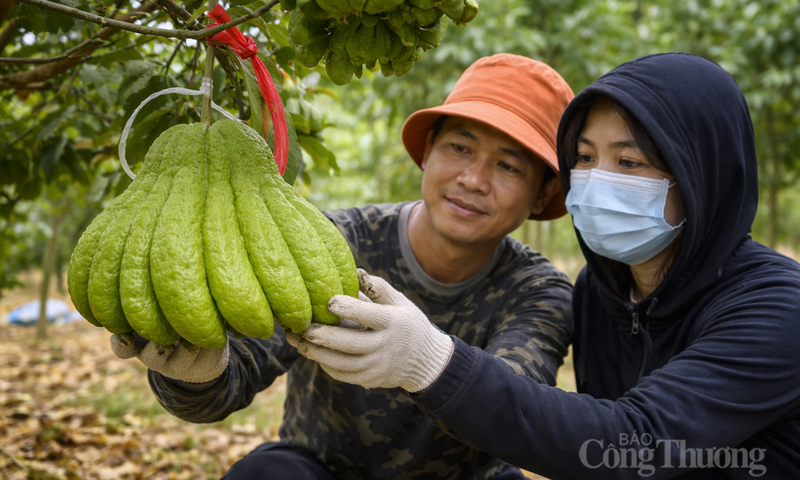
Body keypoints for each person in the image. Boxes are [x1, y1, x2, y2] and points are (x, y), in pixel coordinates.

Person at [291, 52, 800, 479]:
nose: (598, 181)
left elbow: (633, 444)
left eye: (628, 163)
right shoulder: (602, 296)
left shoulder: (779, 306)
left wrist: (432, 362)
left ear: (701, 179)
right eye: (583, 156)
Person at [111, 53, 577, 479]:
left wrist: (429, 363)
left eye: (509, 167)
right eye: (460, 148)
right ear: (429, 150)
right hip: (321, 469)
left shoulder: (539, 290)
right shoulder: (334, 242)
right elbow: (232, 381)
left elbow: (518, 417)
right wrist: (195, 374)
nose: (473, 180)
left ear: (541, 194)